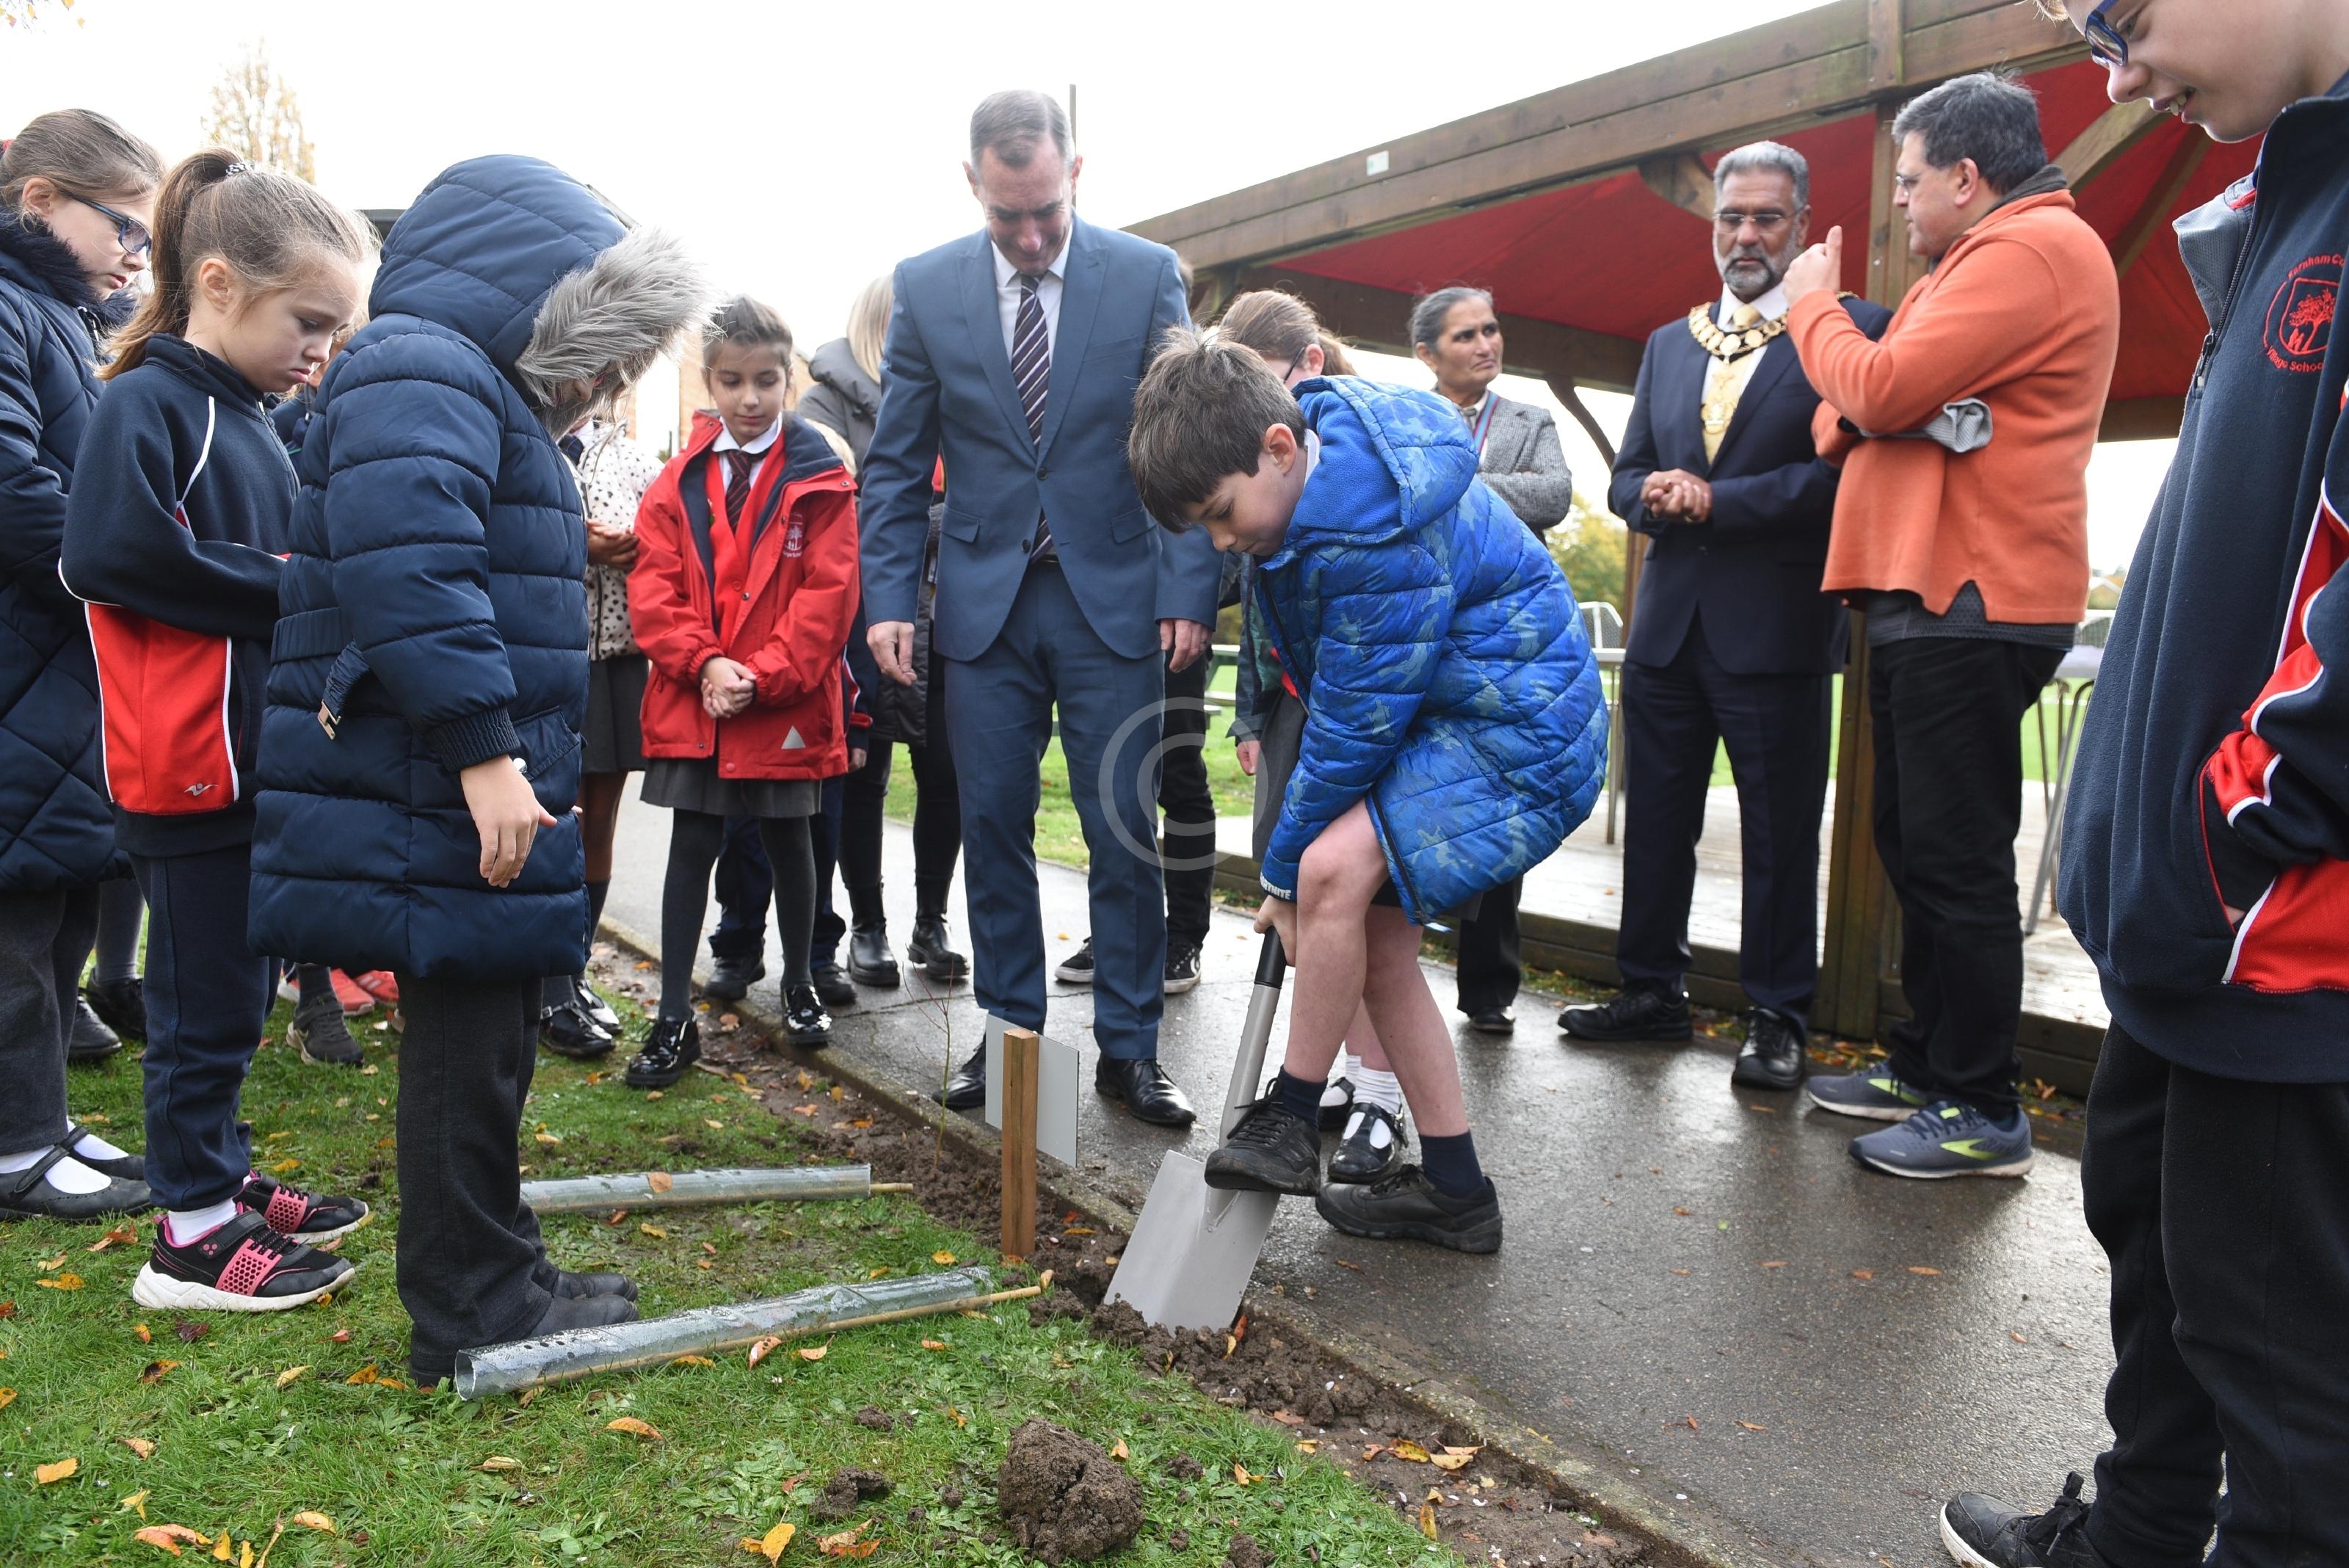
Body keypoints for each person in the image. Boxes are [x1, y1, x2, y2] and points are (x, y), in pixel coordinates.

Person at [1931, 5, 2349, 1564]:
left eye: (2126, 13)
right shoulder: (2288, 194)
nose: (2113, 76)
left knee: (2286, 1380)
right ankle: (2135, 1532)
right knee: (2156, 1254)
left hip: (2281, 924)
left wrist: (2244, 829)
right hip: (2197, 920)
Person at [247, 154, 708, 1379]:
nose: (609, 377)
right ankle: (471, 1307)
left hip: (445, 786)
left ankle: (500, 1267)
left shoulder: (459, 380)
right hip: (436, 787)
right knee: (464, 1047)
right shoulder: (424, 364)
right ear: (534, 294)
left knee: (490, 1039)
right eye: (602, 342)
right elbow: (414, 568)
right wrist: (489, 755)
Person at [1130, 333, 1606, 1252]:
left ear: (1277, 446)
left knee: (1328, 871)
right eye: (1206, 530)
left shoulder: (1370, 527)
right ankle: (1458, 1195)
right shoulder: (1307, 493)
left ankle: (1288, 1116)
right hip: (1445, 715)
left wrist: (1277, 876)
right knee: (1377, 943)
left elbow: (1355, 726)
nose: (1223, 541)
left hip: (1519, 730)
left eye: (1222, 514)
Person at [1779, 70, 2119, 1179]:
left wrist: (1813, 312)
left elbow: (1871, 393)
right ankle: (1926, 1065)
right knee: (1913, 843)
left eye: (1914, 185)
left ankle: (1981, 1106)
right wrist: (1885, 399)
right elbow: (1857, 414)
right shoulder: (1973, 263)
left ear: (1969, 179)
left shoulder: (2028, 252)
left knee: (1957, 858)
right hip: (1926, 593)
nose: (1904, 209)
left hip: (1975, 596)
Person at [860, 90, 1221, 1125]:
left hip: (1117, 602)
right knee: (994, 825)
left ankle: (1129, 1050)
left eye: (1046, 213)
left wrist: (1189, 584)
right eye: (1006, 214)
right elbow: (893, 465)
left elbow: (1189, 432)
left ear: (1076, 173)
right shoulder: (927, 287)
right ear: (972, 183)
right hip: (982, 610)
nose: (1028, 237)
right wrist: (891, 595)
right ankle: (1011, 1038)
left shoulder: (1147, 274)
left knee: (1124, 825)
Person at [61, 151, 374, 1307]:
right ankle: (188, 1237)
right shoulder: (151, 397)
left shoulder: (244, 414)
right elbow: (102, 555)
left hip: (246, 760)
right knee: (199, 1005)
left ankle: (220, 1176)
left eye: (335, 331)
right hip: (183, 763)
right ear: (219, 282)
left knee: (232, 996)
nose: (320, 351)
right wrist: (288, 585)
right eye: (309, 320)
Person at [1562, 142, 1891, 1092]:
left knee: (1780, 836)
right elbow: (1623, 477)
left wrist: (1722, 502)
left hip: (1777, 629)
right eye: (1731, 219)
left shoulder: (1851, 328)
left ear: (1802, 224)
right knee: (1656, 821)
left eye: (1767, 219)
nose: (1746, 236)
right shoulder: (1670, 343)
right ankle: (1650, 992)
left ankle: (1779, 1016)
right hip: (1666, 626)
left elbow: (1846, 477)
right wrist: (1653, 492)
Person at [620, 297, 860, 1089]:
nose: (749, 399)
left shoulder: (820, 476)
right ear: (708, 381)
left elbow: (827, 596)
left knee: (793, 847)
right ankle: (671, 1016)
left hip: (781, 701)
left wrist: (763, 676)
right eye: (732, 381)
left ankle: (798, 985)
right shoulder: (677, 480)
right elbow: (653, 589)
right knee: (692, 847)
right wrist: (707, 665)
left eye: (765, 380)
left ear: (788, 377)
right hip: (699, 699)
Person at [0, 109, 159, 1221]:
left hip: (55, 664)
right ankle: (13, 1148)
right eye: (127, 229)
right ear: (42, 200)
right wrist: (132, 561)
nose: (136, 257)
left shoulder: (59, 314)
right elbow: (14, 488)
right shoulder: (9, 310)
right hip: (20, 656)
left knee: (55, 906)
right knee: (12, 922)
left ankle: (43, 1122)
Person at [1216, 289, 1411, 1183]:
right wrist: (1253, 710)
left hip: (1366, 705)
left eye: (1260, 384)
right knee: (1302, 903)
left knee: (1358, 904)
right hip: (1295, 701)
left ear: (1307, 368)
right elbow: (1259, 616)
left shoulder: (1353, 481)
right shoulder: (1258, 492)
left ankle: (1380, 1097)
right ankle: (1336, 1069)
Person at [1406, 285, 1575, 1034]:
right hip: (1423, 638)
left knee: (1501, 804)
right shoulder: (1402, 421)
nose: (1485, 344)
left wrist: (1456, 485)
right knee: (1417, 797)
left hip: (1506, 645)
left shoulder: (1532, 420)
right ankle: (1394, 979)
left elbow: (1553, 498)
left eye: (1491, 330)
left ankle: (1487, 991)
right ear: (1426, 355)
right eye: (1465, 335)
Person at [798, 274, 967, 998]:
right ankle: (866, 925)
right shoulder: (826, 402)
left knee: (944, 771)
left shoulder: (953, 390)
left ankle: (930, 920)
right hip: (863, 605)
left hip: (951, 604)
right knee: (861, 771)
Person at [537, 413, 666, 1059]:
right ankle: (548, 985)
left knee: (600, 824)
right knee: (552, 821)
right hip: (544, 657)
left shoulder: (634, 459)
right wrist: (574, 543)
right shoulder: (529, 438)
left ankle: (575, 973)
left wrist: (641, 548)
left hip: (616, 659)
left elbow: (672, 549)